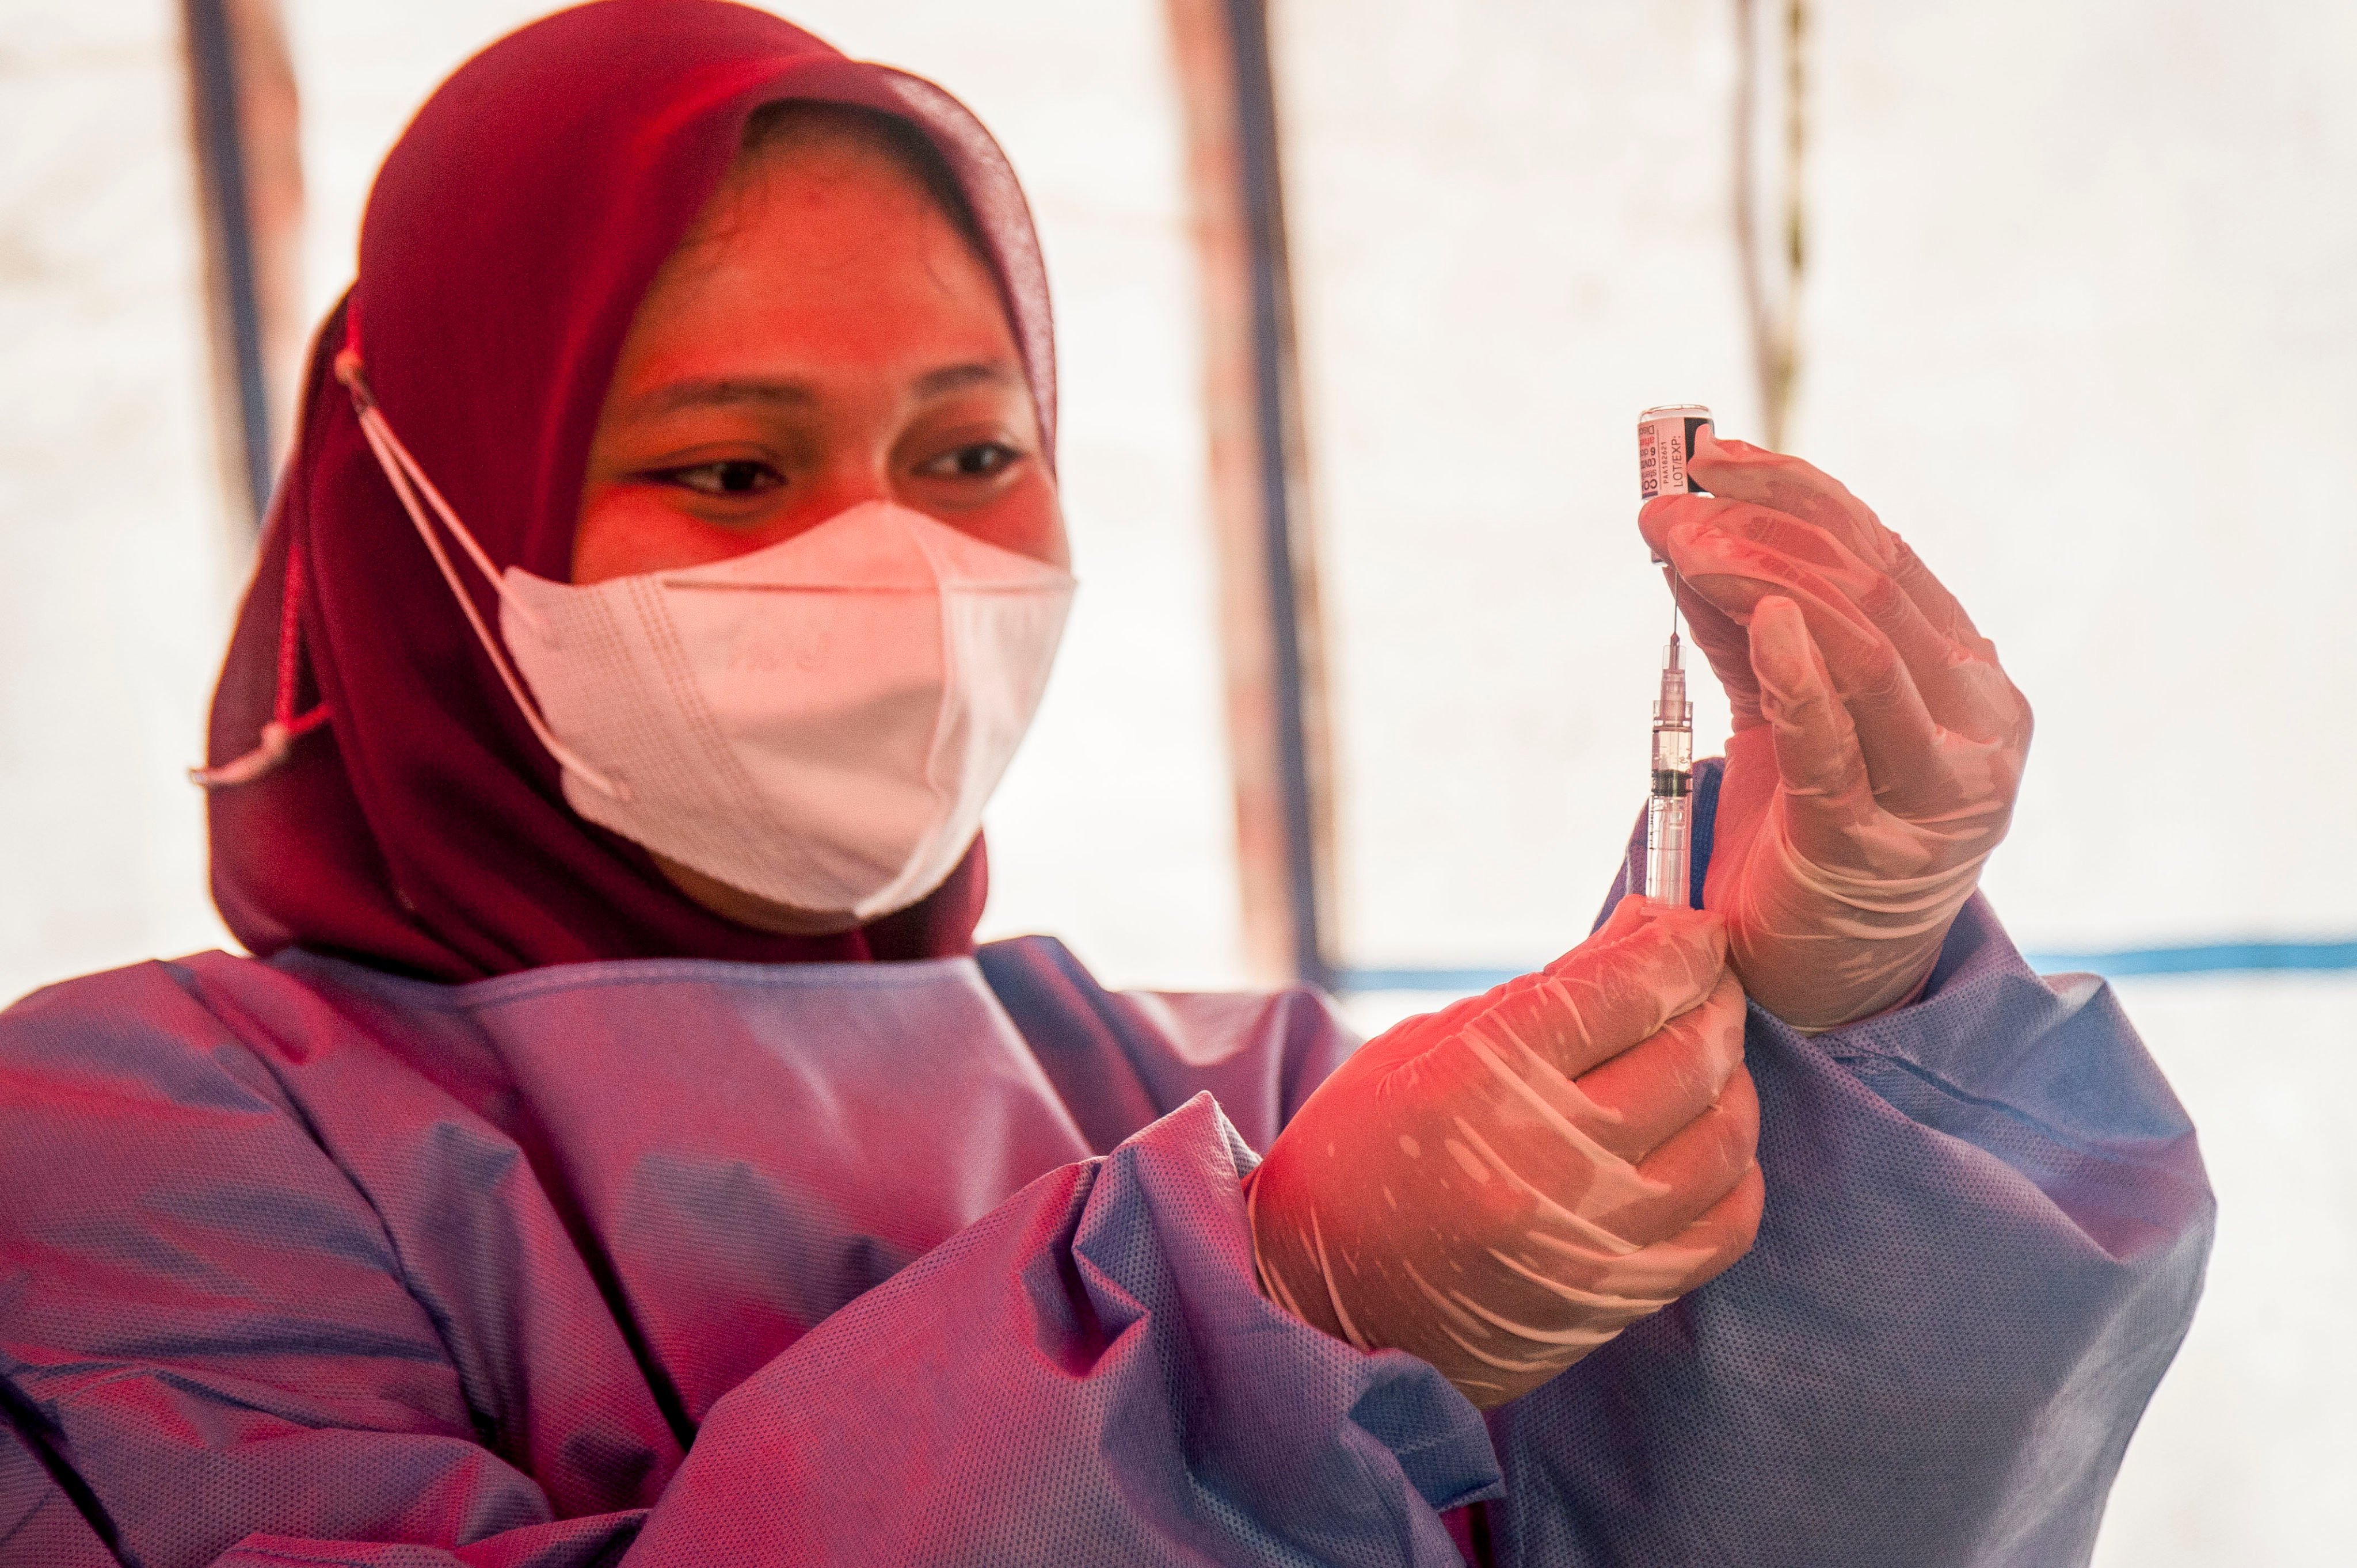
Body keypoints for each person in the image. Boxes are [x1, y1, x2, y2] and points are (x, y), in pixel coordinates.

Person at [0, 3, 2211, 1565]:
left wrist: (1839, 1037)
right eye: (731, 468)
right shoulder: (141, 1137)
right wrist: (1249, 1332)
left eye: (973, 454)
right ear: (426, 526)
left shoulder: (1236, 1083)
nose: (890, 559)